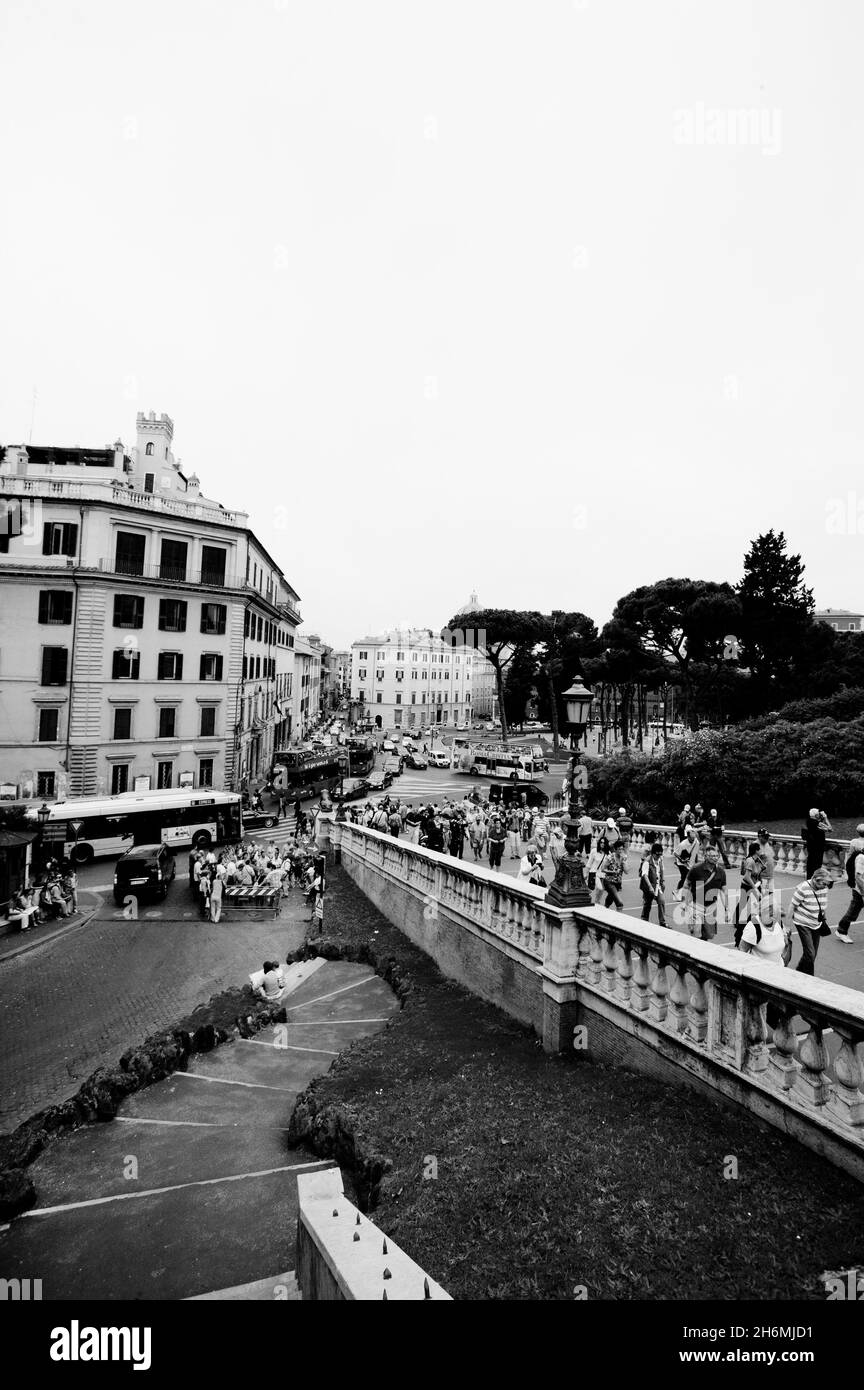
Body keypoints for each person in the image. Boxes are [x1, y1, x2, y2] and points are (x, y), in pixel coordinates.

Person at [788, 865, 832, 976]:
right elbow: (792, 906)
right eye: (823, 884)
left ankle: (799, 971)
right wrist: (787, 926)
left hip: (816, 923)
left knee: (812, 953)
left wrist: (823, 918)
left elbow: (823, 904)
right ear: (815, 880)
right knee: (810, 953)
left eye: (826, 884)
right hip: (802, 922)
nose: (825, 887)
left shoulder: (824, 888)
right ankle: (809, 978)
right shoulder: (803, 888)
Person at [686, 847, 726, 940]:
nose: (715, 858)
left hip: (711, 906)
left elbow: (724, 891)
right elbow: (686, 886)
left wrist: (726, 908)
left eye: (717, 856)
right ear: (705, 856)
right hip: (696, 905)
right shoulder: (696, 869)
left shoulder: (721, 872)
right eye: (712, 856)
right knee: (696, 932)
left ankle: (702, 950)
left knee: (709, 935)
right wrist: (686, 904)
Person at [837, 825, 864, 944]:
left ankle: (841, 930)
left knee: (854, 909)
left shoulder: (854, 843)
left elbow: (849, 860)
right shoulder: (861, 858)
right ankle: (841, 931)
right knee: (853, 910)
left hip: (858, 885)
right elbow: (859, 876)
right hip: (860, 888)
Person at [639, 842, 666, 925]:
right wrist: (650, 886)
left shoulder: (660, 860)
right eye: (657, 855)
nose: (659, 856)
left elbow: (662, 870)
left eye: (660, 855)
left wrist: (663, 881)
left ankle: (662, 922)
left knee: (661, 901)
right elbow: (644, 875)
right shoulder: (647, 861)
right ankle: (644, 919)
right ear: (652, 853)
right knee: (647, 904)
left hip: (657, 885)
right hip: (648, 886)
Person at [802, 808, 832, 878]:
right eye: (818, 813)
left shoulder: (809, 821)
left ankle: (809, 879)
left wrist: (821, 819)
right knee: (817, 865)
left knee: (810, 864)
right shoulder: (816, 823)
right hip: (818, 847)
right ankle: (815, 881)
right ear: (816, 815)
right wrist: (825, 818)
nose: (819, 814)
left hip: (811, 846)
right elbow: (830, 829)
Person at [673, 826, 699, 900]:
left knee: (692, 878)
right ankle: (677, 892)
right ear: (687, 837)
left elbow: (695, 854)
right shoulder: (683, 844)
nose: (693, 840)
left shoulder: (696, 842)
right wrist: (682, 860)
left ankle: (687, 893)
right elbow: (675, 853)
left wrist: (696, 864)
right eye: (691, 838)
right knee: (684, 877)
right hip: (681, 863)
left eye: (694, 838)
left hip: (690, 863)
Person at [756, 829, 777, 925]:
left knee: (771, 895)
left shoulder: (767, 844)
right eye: (765, 837)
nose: (767, 838)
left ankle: (769, 913)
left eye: (768, 837)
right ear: (759, 836)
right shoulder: (755, 845)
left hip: (770, 875)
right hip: (762, 876)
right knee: (762, 897)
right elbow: (753, 861)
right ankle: (760, 915)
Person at [600, 840, 626, 911]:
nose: (620, 851)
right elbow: (602, 869)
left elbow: (626, 871)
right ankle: (618, 920)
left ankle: (604, 911)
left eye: (622, 849)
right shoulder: (610, 857)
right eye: (619, 849)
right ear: (615, 849)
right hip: (609, 881)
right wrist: (612, 872)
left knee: (610, 899)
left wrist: (624, 861)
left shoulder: (623, 858)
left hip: (618, 883)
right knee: (619, 903)